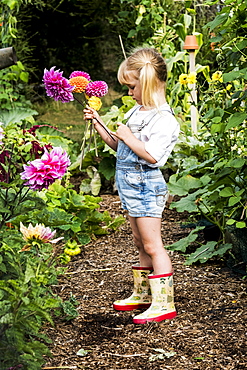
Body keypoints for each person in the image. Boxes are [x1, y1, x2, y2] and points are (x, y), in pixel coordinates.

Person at [84, 47, 180, 324]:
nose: (129, 93)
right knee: (139, 242)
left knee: (153, 245)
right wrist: (99, 124)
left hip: (146, 187)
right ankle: (143, 294)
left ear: (148, 82)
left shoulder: (164, 120)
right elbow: (119, 146)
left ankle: (164, 303)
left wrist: (127, 135)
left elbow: (152, 156)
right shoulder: (137, 112)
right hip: (129, 186)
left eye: (132, 86)